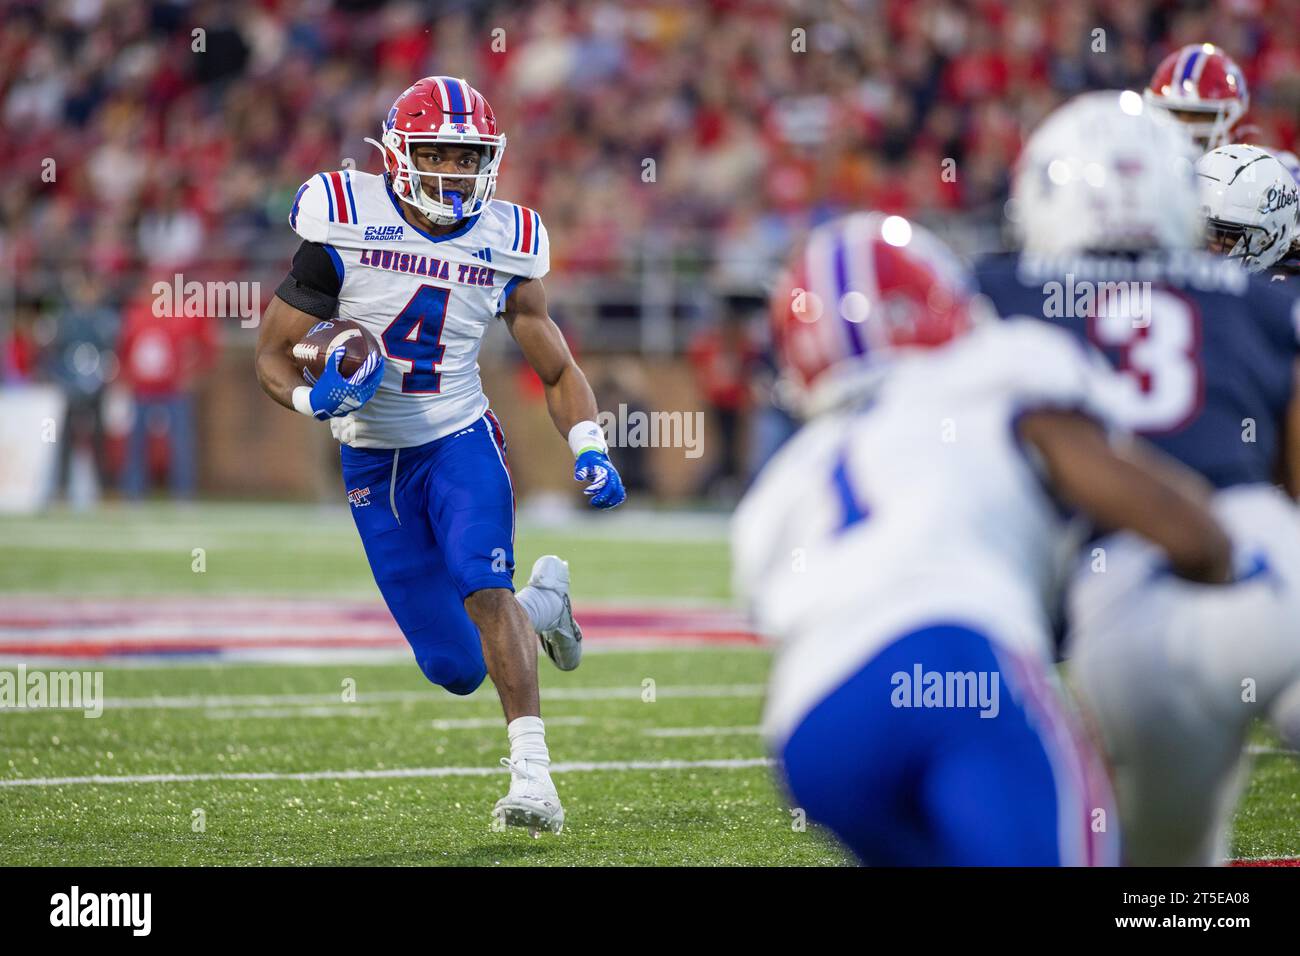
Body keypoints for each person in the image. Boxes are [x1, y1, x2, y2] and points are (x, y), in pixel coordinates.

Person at [734, 209, 1232, 865]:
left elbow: (762, 597)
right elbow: (1180, 529)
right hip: (951, 653)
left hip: (812, 730)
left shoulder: (794, 470)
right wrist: (1219, 556)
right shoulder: (995, 368)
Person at [254, 77, 626, 836]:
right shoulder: (344, 220)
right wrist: (308, 400)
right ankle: (545, 607)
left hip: (459, 436)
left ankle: (535, 778)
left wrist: (590, 444)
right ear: (397, 154)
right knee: (454, 667)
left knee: (484, 587)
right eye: (438, 153)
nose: (455, 172)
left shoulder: (506, 239)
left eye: (468, 156)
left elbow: (555, 368)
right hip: (372, 464)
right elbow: (270, 355)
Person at [977, 90, 1300, 865]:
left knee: (1166, 874)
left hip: (1124, 603)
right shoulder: (1254, 296)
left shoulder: (1005, 294)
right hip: (1264, 552)